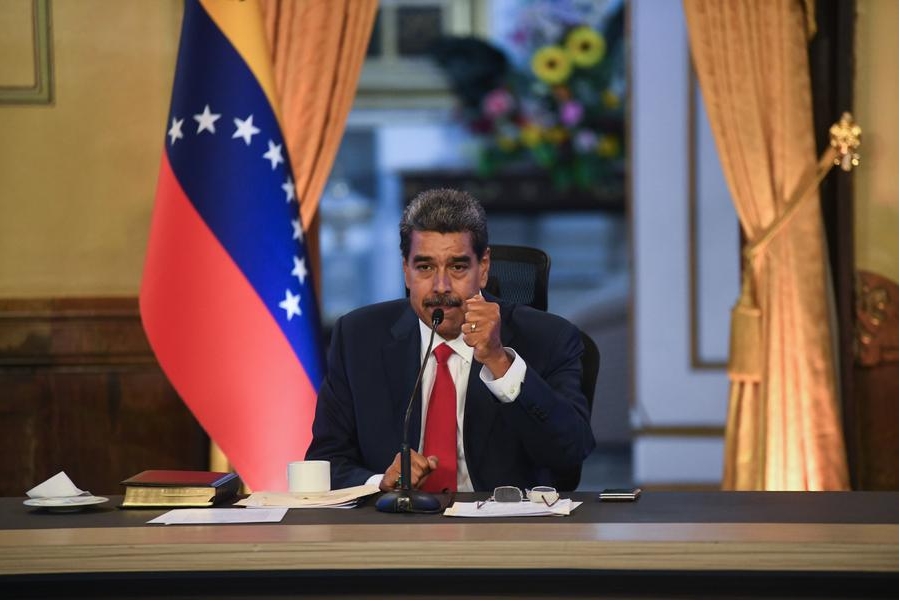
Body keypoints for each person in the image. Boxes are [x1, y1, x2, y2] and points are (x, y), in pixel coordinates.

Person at [306, 188, 595, 493]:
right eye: (425, 267)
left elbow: (570, 453)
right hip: (394, 530)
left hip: (504, 530)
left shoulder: (548, 338)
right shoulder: (358, 338)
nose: (440, 286)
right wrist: (380, 482)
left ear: (482, 268)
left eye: (457, 267)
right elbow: (326, 462)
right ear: (406, 271)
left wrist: (499, 361)